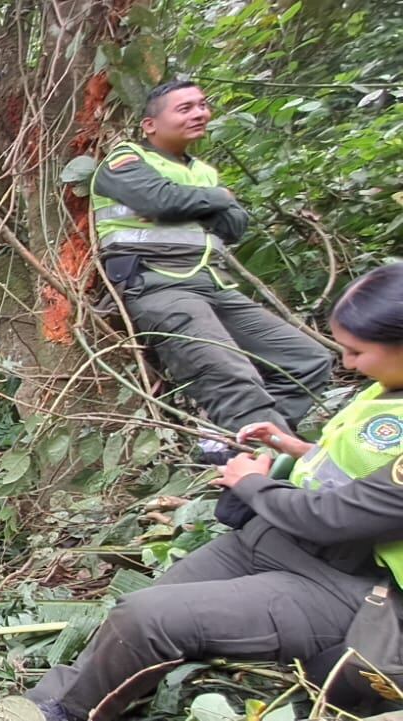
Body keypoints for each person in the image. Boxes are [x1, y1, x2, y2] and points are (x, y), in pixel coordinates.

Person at [27, 263, 403, 721]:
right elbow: (356, 468)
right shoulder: (387, 388)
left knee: (149, 620)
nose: (346, 363)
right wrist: (296, 448)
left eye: (357, 352)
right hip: (275, 540)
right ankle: (44, 704)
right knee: (129, 614)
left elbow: (340, 515)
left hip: (348, 584)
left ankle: (66, 715)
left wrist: (250, 483)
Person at [93, 80, 331, 460]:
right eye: (184, 108)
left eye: (202, 105)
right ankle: (268, 467)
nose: (199, 113)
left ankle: (239, 445)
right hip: (158, 284)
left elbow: (234, 226)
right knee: (231, 374)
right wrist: (217, 200)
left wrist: (191, 203)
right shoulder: (125, 160)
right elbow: (160, 201)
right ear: (150, 125)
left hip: (213, 285)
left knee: (307, 359)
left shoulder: (203, 171)